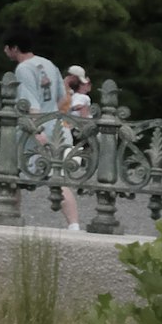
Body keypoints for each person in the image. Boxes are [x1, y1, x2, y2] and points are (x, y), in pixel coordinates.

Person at [53, 65, 96, 229]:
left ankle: (73, 224)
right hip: (62, 132)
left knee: (58, 176)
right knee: (59, 177)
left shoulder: (70, 93)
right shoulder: (68, 92)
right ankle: (74, 224)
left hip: (62, 132)